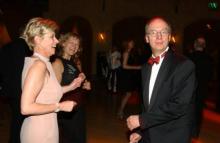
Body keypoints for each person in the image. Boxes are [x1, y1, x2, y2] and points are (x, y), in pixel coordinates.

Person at [126, 16, 197, 143]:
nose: (159, 36)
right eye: (153, 32)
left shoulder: (185, 65)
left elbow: (179, 106)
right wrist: (140, 130)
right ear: (147, 38)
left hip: (172, 137)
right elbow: (146, 105)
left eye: (163, 32)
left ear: (169, 37)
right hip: (149, 135)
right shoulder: (145, 68)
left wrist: (142, 120)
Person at [19, 17, 85, 143]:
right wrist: (59, 106)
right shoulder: (39, 65)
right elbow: (26, 107)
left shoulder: (45, 62)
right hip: (38, 133)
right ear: (38, 40)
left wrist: (71, 86)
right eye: (52, 37)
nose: (57, 41)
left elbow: (47, 92)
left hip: (48, 127)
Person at [52, 32, 91, 143]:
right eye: (71, 43)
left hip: (78, 108)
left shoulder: (75, 62)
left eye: (77, 44)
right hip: (67, 111)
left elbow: (77, 84)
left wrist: (85, 86)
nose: (74, 46)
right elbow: (53, 91)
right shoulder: (58, 62)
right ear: (63, 43)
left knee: (79, 138)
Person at [188, 36, 213, 138]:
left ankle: (187, 131)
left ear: (195, 45)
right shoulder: (209, 59)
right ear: (204, 46)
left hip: (189, 89)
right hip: (202, 89)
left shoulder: (189, 57)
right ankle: (195, 133)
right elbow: (210, 76)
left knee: (188, 110)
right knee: (198, 111)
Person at [117, 39, 142, 119]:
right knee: (127, 94)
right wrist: (137, 67)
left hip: (129, 75)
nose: (133, 44)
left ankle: (120, 110)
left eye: (133, 42)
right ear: (128, 44)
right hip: (126, 76)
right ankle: (120, 111)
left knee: (127, 94)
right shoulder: (126, 53)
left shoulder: (130, 52)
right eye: (131, 42)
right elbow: (124, 66)